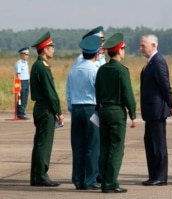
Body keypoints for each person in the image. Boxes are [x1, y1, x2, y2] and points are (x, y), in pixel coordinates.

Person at [95, 33, 138, 193]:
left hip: (103, 110)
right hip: (116, 111)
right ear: (119, 50)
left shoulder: (102, 69)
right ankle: (111, 183)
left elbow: (97, 92)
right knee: (116, 148)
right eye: (123, 49)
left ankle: (104, 180)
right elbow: (128, 94)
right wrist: (133, 114)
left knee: (104, 147)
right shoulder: (122, 71)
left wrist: (98, 109)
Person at [66, 35, 102, 190]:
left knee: (78, 145)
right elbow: (99, 92)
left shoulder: (73, 69)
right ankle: (90, 180)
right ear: (96, 54)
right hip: (91, 109)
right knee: (93, 145)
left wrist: (71, 107)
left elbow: (68, 92)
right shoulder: (95, 70)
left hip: (76, 108)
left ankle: (78, 179)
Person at [140, 34, 172, 186]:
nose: (141, 49)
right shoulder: (150, 62)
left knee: (158, 144)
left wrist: (171, 103)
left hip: (157, 110)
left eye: (143, 46)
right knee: (149, 143)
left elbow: (165, 85)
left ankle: (160, 176)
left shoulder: (158, 61)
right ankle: (153, 175)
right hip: (150, 111)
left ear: (153, 45)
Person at [30, 32, 64, 187]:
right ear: (44, 49)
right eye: (51, 47)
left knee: (39, 143)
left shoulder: (37, 65)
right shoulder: (43, 67)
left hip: (39, 106)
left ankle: (36, 176)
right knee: (44, 143)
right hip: (46, 108)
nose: (53, 49)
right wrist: (58, 111)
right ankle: (42, 175)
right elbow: (50, 92)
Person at [14, 47, 30, 119]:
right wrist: (19, 84)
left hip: (26, 81)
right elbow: (18, 74)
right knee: (21, 97)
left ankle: (22, 112)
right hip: (21, 81)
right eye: (26, 54)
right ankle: (20, 114)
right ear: (22, 54)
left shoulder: (26, 63)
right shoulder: (19, 63)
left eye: (28, 54)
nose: (27, 56)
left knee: (25, 98)